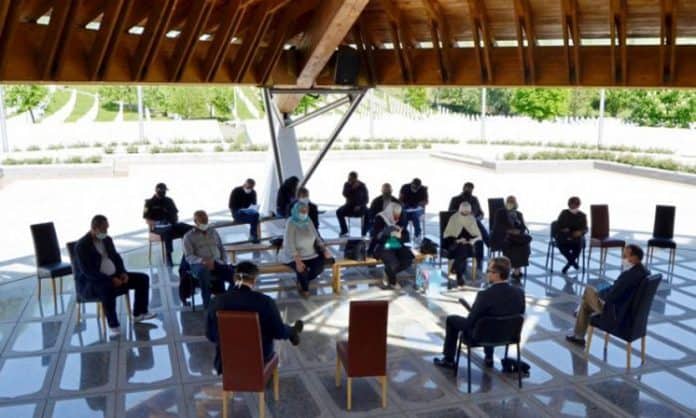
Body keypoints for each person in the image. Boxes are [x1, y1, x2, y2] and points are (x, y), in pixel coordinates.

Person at [206, 261, 304, 374]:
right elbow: (278, 332)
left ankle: (292, 331)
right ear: (254, 280)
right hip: (259, 360)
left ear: (234, 278)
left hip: (225, 361)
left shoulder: (216, 302)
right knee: (274, 328)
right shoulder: (265, 302)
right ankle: (292, 331)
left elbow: (211, 335)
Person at [433, 256, 525, 369]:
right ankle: (489, 357)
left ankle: (448, 359)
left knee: (452, 320)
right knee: (492, 319)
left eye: (488, 271)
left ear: (497, 274)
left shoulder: (485, 295)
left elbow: (468, 324)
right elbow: (519, 314)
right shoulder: (519, 293)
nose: (486, 274)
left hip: (482, 337)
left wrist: (473, 311)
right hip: (509, 336)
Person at [75, 215, 156, 337]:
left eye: (107, 228)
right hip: (93, 282)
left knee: (143, 279)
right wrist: (110, 279)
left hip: (114, 275)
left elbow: (116, 258)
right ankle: (113, 325)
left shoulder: (107, 239)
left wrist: (122, 272)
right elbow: (88, 272)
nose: (106, 232)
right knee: (106, 287)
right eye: (103, 229)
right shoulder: (82, 246)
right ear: (94, 228)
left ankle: (139, 313)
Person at [566, 244, 650, 347]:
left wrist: (598, 295)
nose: (623, 259)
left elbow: (611, 296)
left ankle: (578, 323)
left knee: (589, 291)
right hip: (626, 311)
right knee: (586, 304)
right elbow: (618, 290)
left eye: (625, 256)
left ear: (635, 257)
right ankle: (578, 335)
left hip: (614, 314)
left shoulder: (629, 275)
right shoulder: (644, 272)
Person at [183, 210, 235, 308]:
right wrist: (202, 261)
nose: (204, 223)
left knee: (235, 276)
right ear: (195, 222)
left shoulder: (213, 232)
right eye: (202, 221)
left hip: (217, 262)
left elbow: (221, 248)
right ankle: (207, 305)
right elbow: (189, 257)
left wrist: (223, 261)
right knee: (204, 273)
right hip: (199, 264)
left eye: (205, 221)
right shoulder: (188, 236)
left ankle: (226, 298)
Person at [280, 201, 333, 297]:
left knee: (319, 268)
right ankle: (305, 289)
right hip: (293, 255)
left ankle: (302, 281)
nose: (304, 213)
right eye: (302, 211)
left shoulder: (308, 220)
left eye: (306, 211)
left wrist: (324, 249)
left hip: (310, 253)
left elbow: (316, 236)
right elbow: (289, 242)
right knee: (302, 270)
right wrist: (298, 261)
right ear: (296, 211)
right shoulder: (291, 222)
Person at [143, 182, 193, 265]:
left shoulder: (169, 200)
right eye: (161, 191)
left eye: (164, 191)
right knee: (167, 231)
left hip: (172, 224)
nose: (163, 193)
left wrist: (173, 220)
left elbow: (175, 214)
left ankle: (189, 254)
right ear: (156, 191)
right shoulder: (149, 203)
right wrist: (158, 222)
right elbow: (147, 220)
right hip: (158, 228)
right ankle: (168, 257)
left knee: (188, 228)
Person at [369, 202, 414, 289]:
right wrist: (389, 234)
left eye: (398, 215)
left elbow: (406, 236)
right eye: (395, 215)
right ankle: (393, 281)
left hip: (395, 244)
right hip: (382, 245)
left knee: (408, 258)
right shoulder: (380, 218)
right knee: (392, 261)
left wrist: (400, 236)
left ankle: (388, 272)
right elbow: (376, 237)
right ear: (390, 212)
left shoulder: (399, 219)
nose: (397, 218)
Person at [443, 202, 483, 286]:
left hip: (468, 244)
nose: (465, 215)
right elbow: (447, 235)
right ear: (460, 210)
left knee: (463, 250)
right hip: (454, 245)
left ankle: (455, 274)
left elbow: (478, 235)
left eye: (467, 213)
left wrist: (472, 240)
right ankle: (459, 276)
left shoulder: (471, 219)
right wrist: (458, 240)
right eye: (463, 213)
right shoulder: (454, 218)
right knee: (462, 250)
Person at [491, 196, 531, 279]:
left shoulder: (519, 214)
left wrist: (518, 230)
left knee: (523, 246)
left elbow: (523, 227)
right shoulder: (500, 212)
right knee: (513, 247)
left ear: (515, 204)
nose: (510, 203)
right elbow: (496, 226)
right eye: (508, 201)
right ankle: (514, 271)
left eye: (512, 202)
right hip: (504, 236)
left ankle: (517, 271)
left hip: (516, 237)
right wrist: (509, 230)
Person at [555, 196, 588, 274]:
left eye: (575, 204)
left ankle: (569, 263)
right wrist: (563, 229)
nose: (572, 206)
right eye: (571, 204)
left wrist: (580, 232)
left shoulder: (582, 215)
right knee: (561, 245)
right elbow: (558, 225)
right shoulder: (564, 213)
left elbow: (585, 228)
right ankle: (573, 262)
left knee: (578, 246)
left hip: (576, 237)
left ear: (578, 205)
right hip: (564, 236)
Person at [336, 171, 369, 237]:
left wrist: (360, 205)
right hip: (349, 206)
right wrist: (352, 188)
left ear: (356, 178)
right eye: (349, 178)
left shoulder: (362, 185)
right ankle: (344, 230)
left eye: (352, 178)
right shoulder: (347, 184)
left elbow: (366, 199)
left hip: (360, 206)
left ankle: (364, 232)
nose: (350, 180)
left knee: (368, 213)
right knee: (339, 212)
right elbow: (345, 194)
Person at [228, 178, 260, 243]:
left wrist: (252, 209)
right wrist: (242, 209)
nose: (249, 189)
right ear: (244, 184)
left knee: (256, 215)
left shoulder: (253, 192)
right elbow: (231, 205)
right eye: (248, 187)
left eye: (251, 188)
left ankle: (253, 236)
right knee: (246, 214)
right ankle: (253, 236)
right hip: (237, 212)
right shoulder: (236, 190)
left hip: (248, 213)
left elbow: (254, 204)